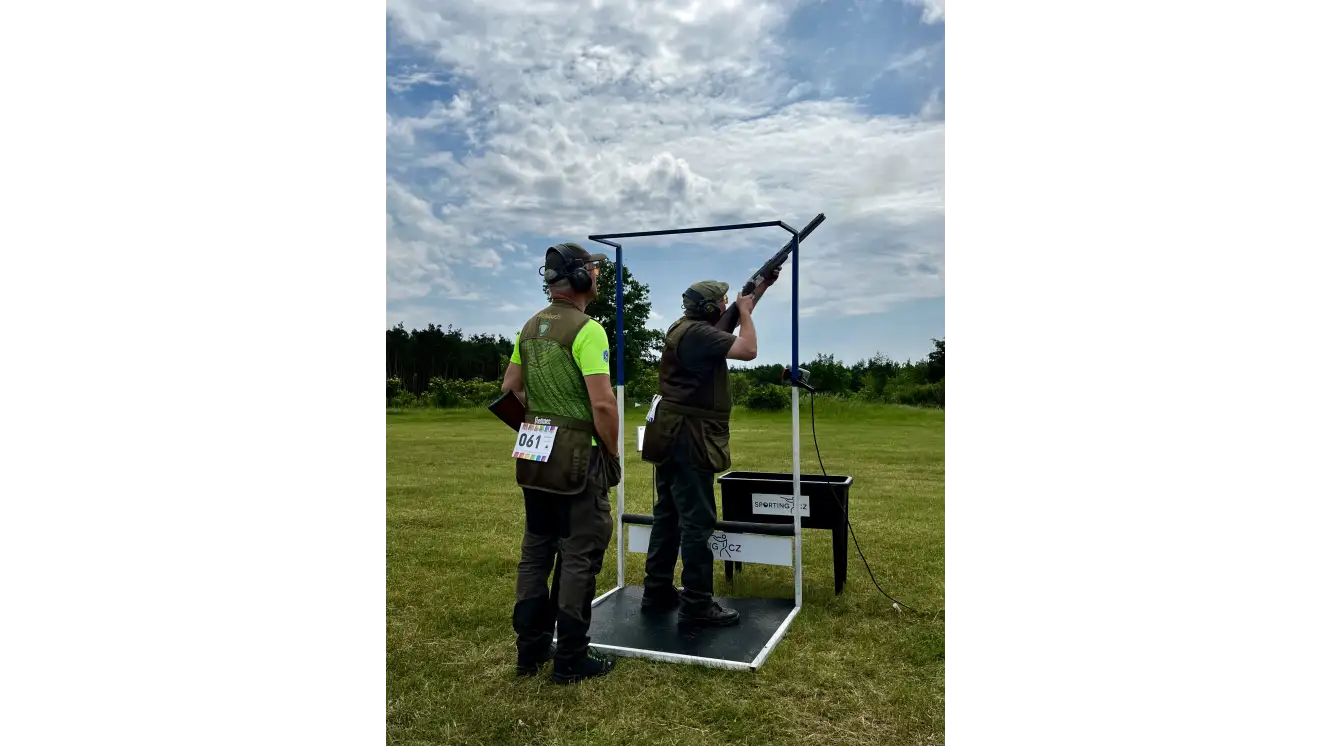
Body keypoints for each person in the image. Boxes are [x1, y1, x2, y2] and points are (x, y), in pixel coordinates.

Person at [501, 242, 623, 684]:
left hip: (534, 454)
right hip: (577, 457)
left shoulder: (530, 327)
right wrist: (611, 451)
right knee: (578, 555)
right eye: (594, 268)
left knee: (536, 552)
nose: (598, 275)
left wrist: (540, 422)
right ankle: (570, 658)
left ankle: (529, 652)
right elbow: (603, 404)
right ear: (579, 277)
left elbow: (510, 388)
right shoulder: (589, 330)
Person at [638, 269, 780, 626]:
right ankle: (697, 602)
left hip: (670, 434)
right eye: (720, 302)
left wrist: (761, 287)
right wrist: (744, 311)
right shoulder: (700, 334)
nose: (725, 305)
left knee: (668, 516)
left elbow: (731, 320)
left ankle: (657, 591)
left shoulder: (686, 328)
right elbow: (748, 350)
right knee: (697, 522)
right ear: (708, 308)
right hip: (690, 437)